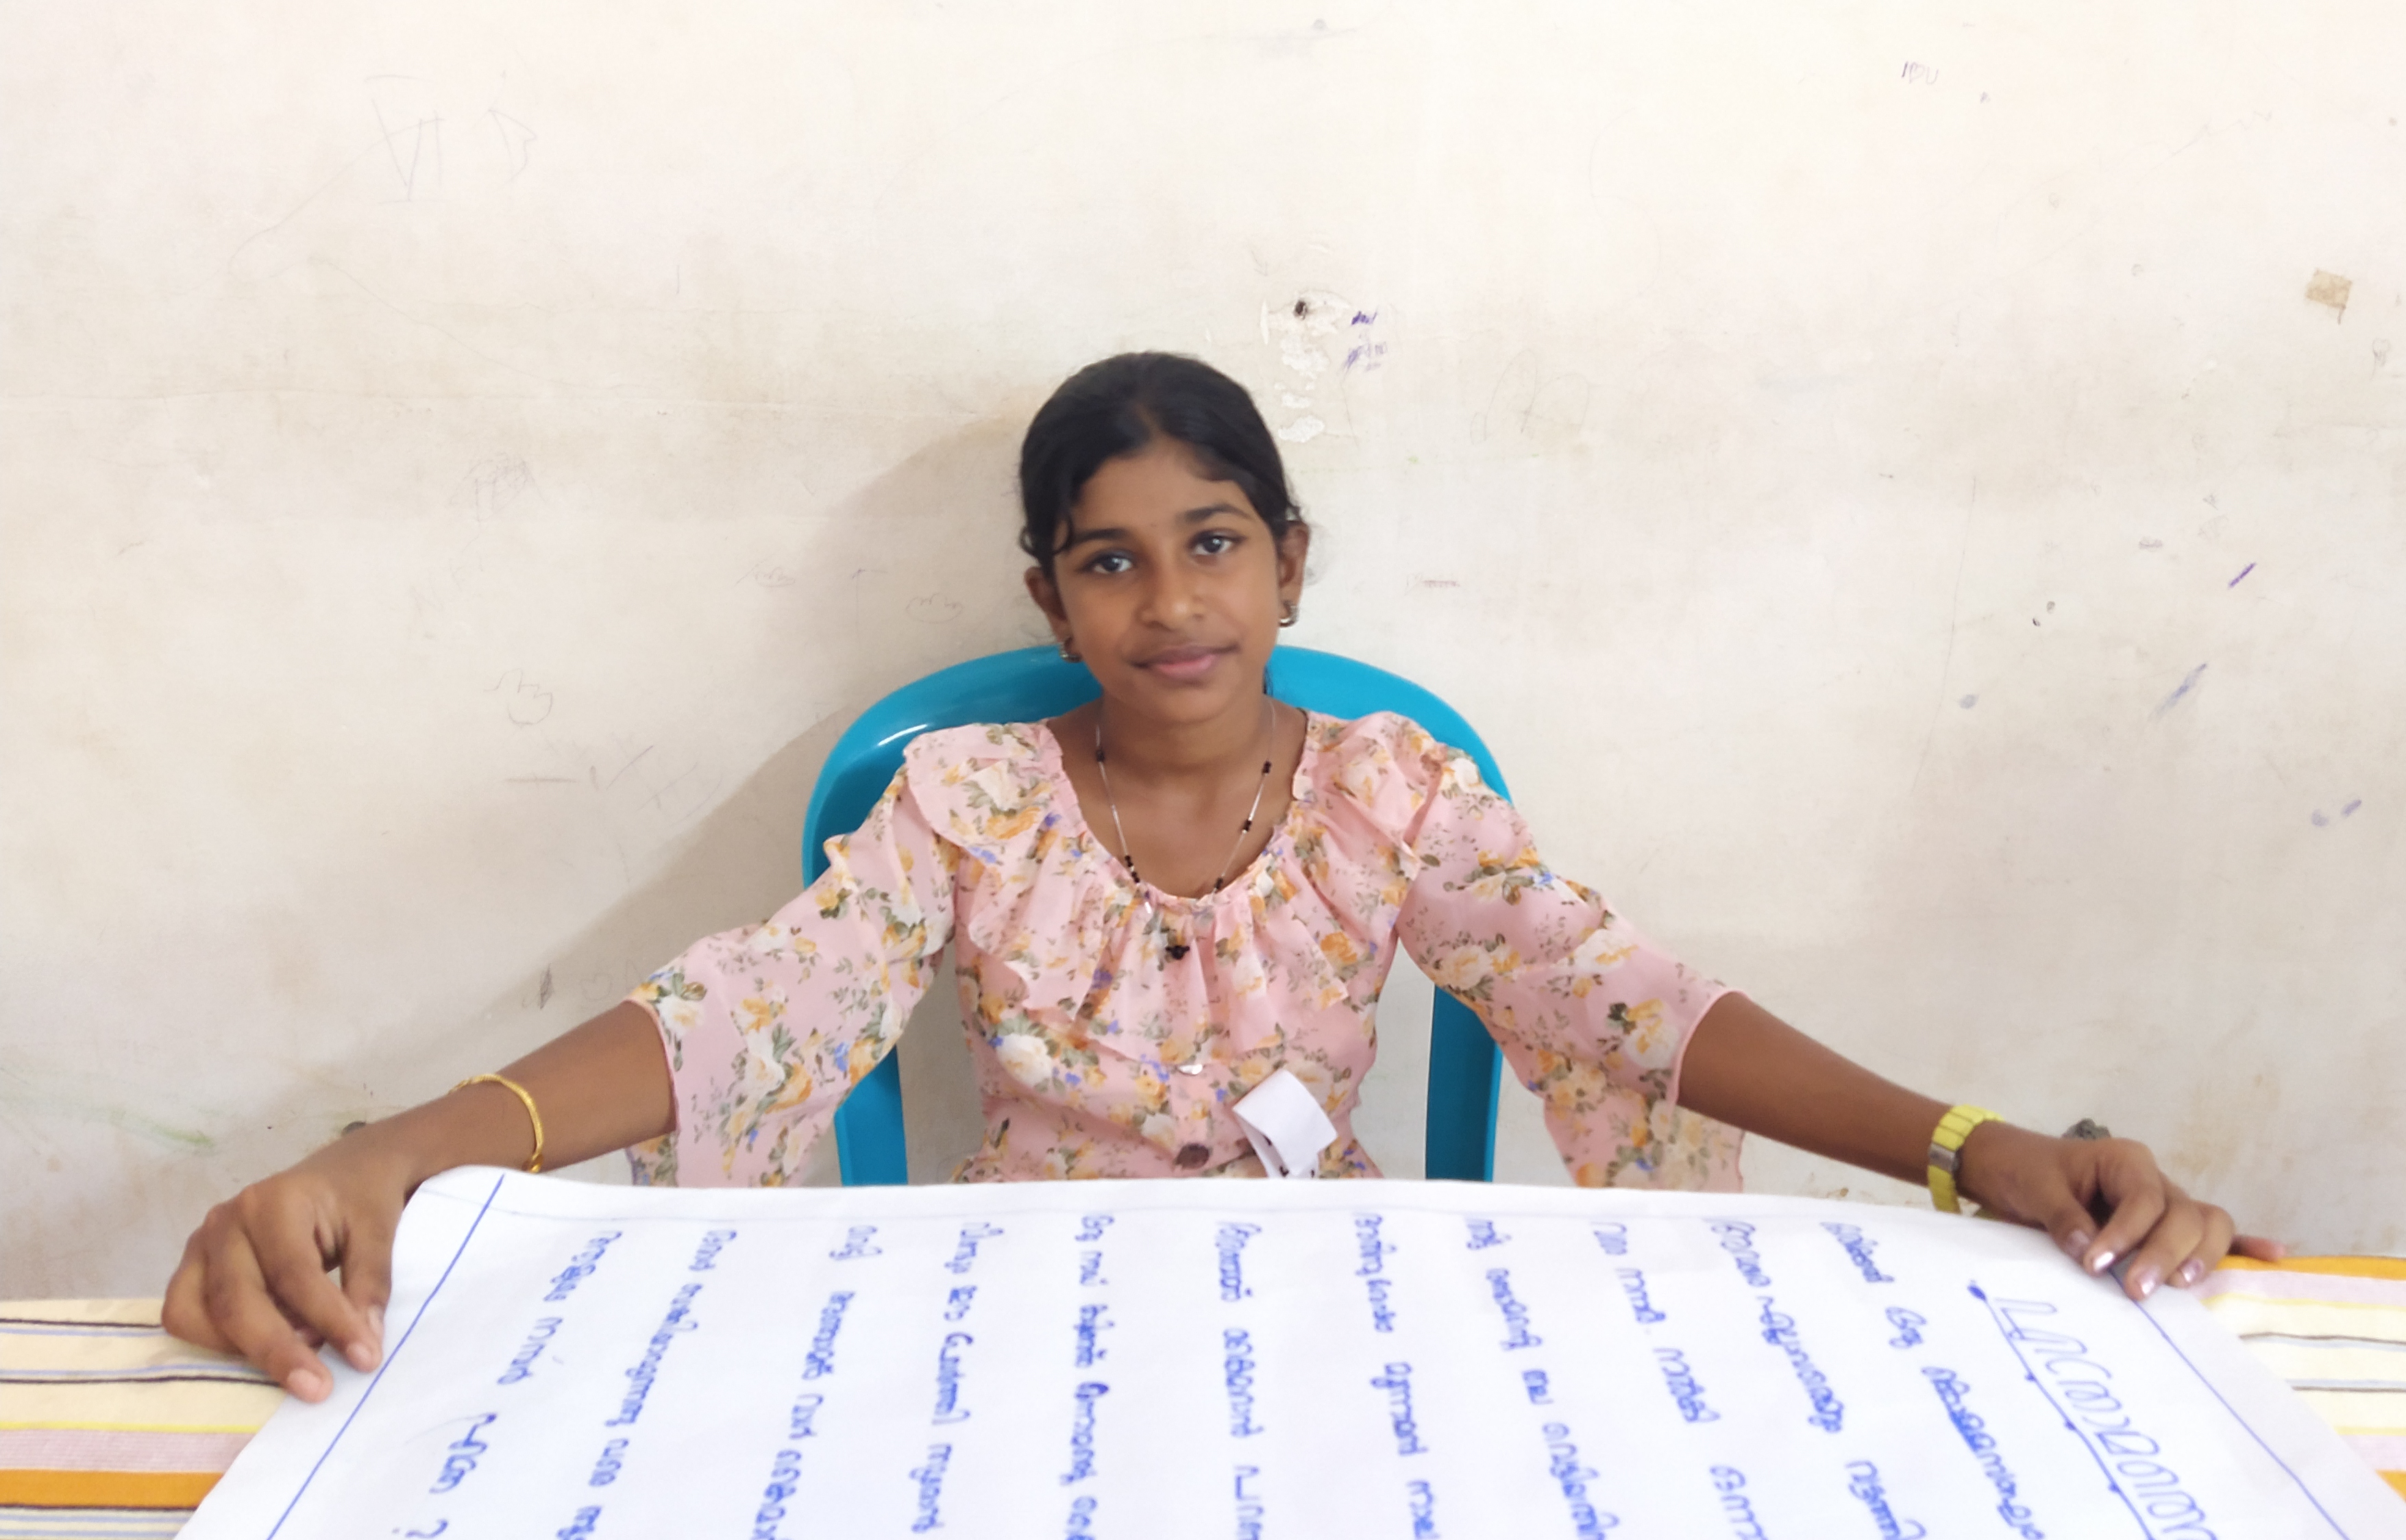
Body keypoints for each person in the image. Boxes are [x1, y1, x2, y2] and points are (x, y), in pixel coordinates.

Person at [162, 352, 2283, 1402]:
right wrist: (395, 1156)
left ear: (1288, 562)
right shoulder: (971, 802)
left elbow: (1626, 1000)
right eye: (1110, 559)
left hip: (1334, 1309)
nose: (1171, 602)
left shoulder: (1388, 793)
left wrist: (1979, 1148)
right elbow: (754, 1012)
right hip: (1016, 1317)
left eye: (1214, 543)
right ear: (1049, 596)